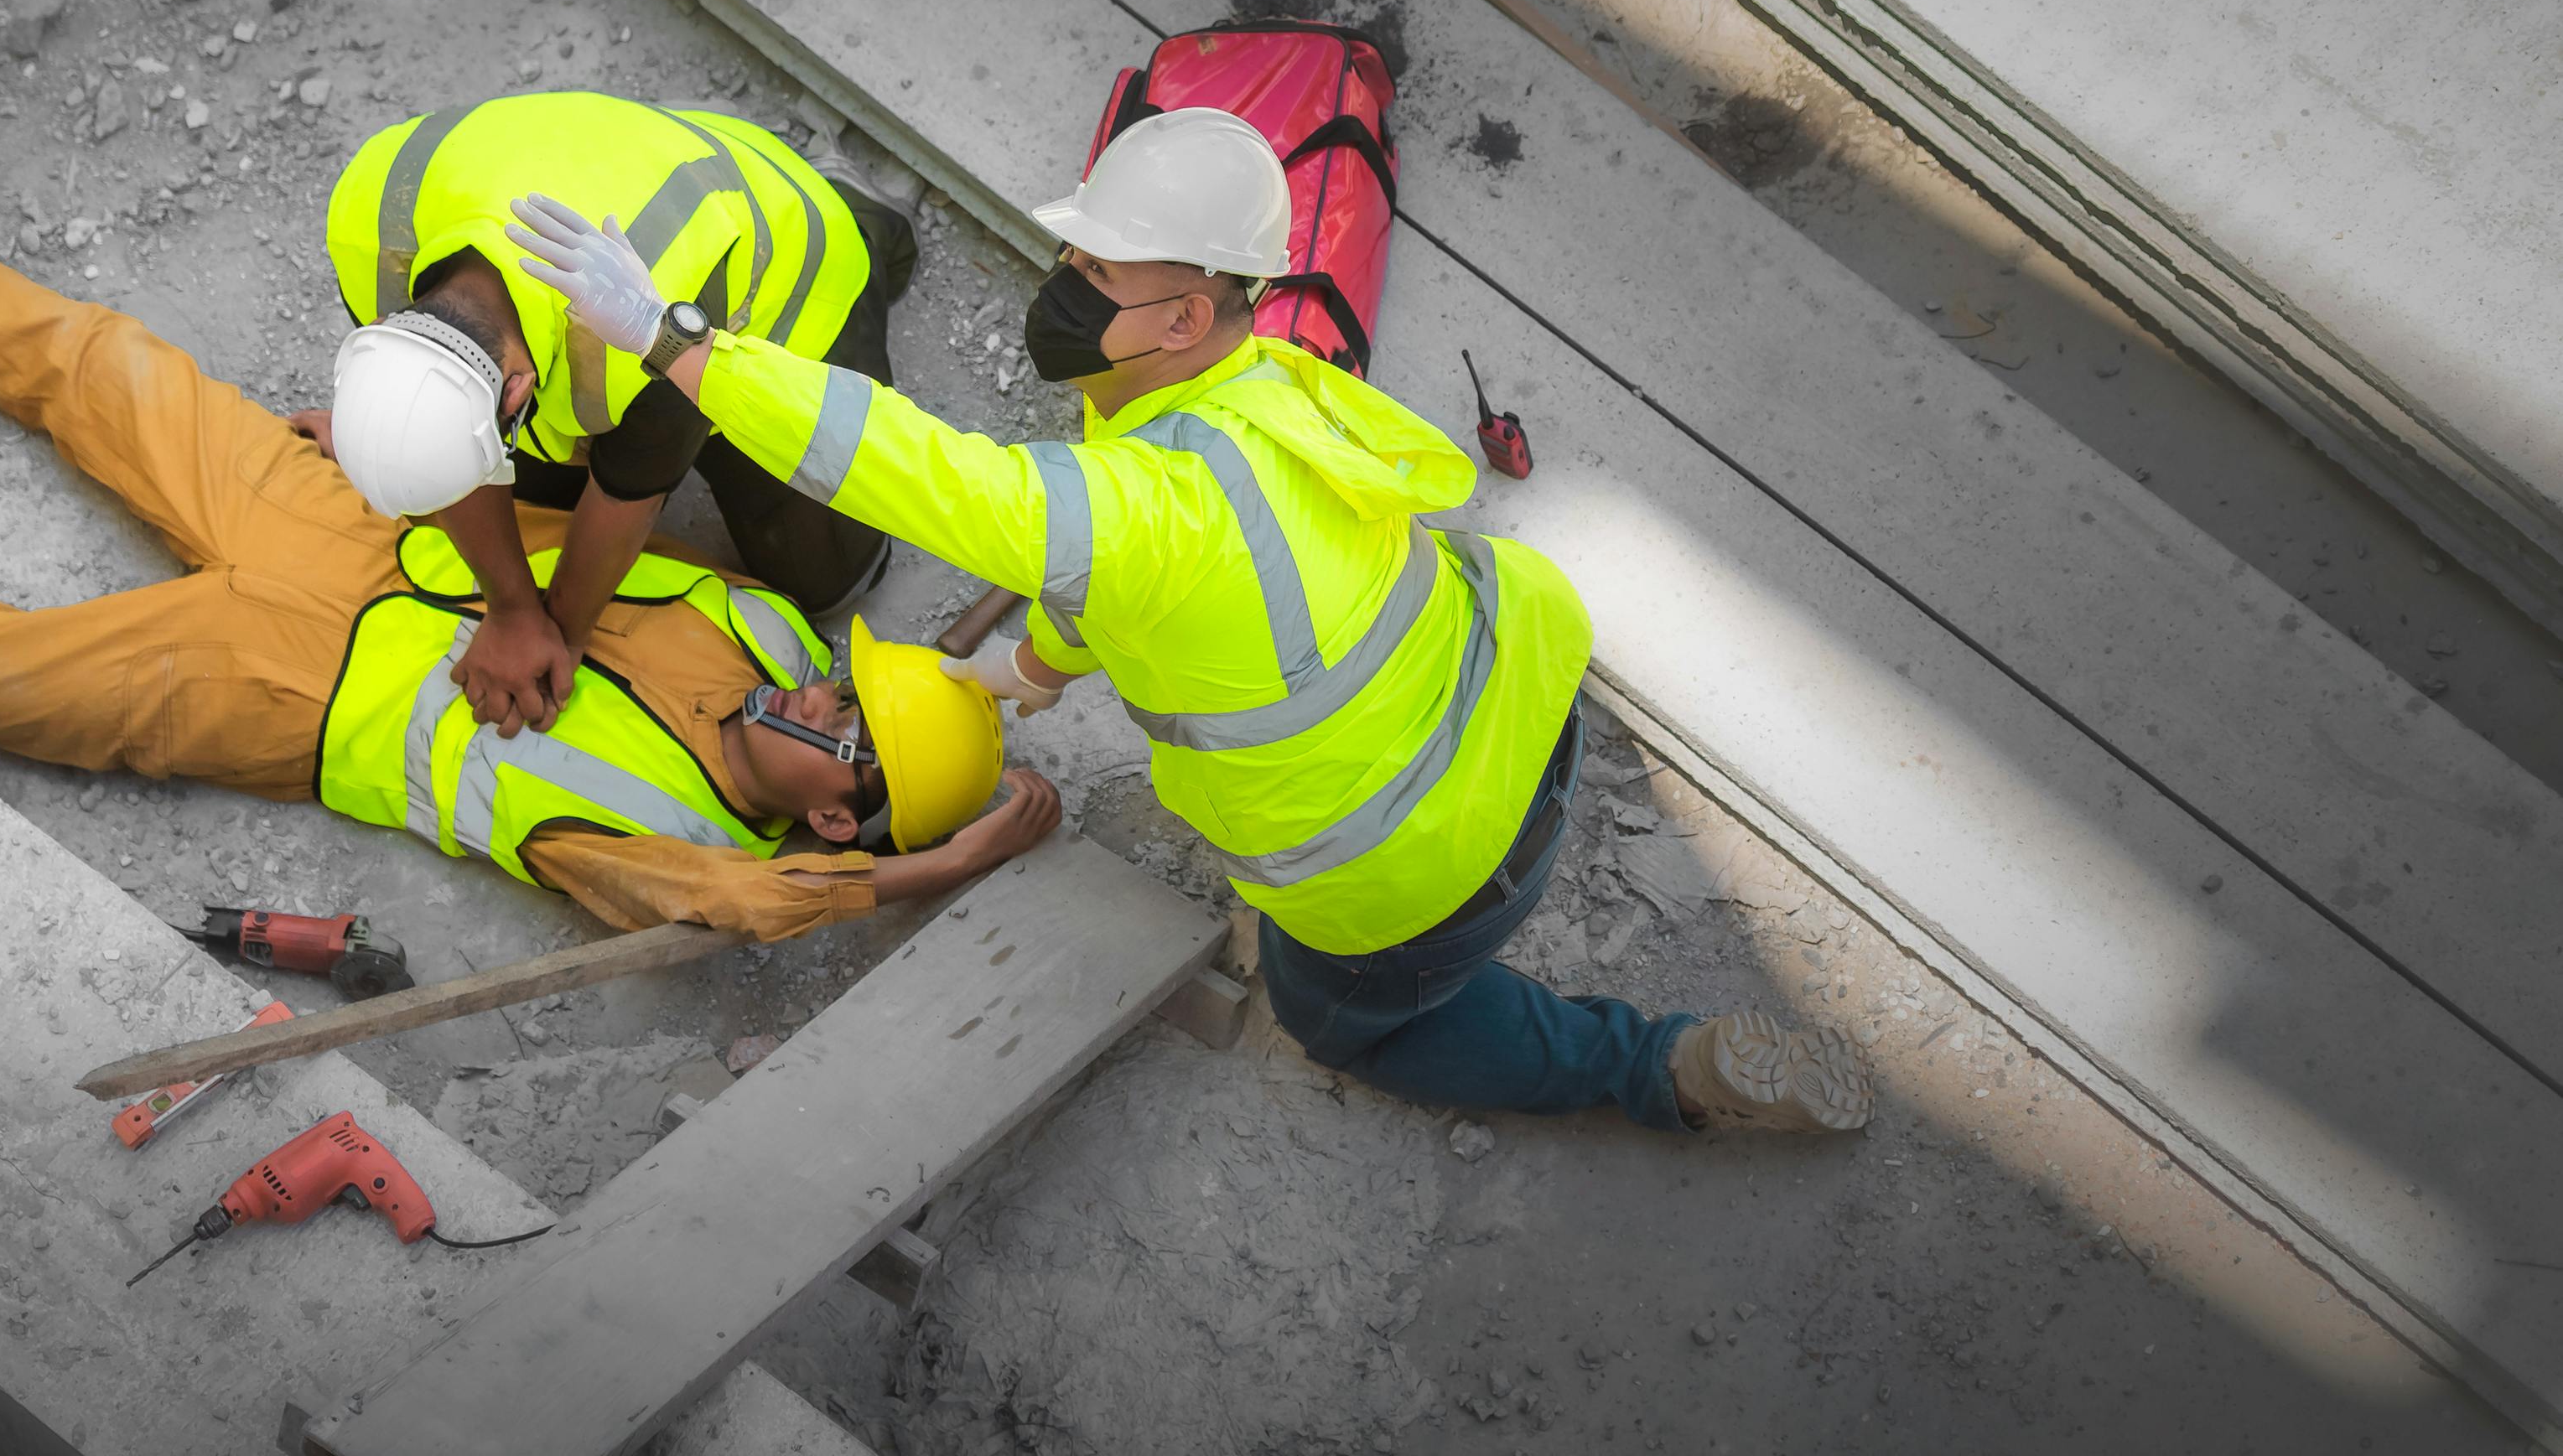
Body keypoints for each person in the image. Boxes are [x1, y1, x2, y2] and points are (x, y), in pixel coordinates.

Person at [510, 107, 1874, 1130]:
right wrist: (1035, 669)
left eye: (1093, 272)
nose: (1060, 277)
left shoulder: (1143, 500)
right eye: (1073, 249)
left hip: (1426, 871)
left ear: (1184, 310)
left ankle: (1655, 1071)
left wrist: (680, 343)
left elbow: (925, 473)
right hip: (1526, 700)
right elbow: (1155, 578)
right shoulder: (1264, 388)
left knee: (1343, 1017)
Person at [0, 80, 1060, 942]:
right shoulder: (759, 623)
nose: (823, 678)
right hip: (357, 530)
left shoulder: (670, 839)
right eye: (854, 686)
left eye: (844, 718)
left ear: (831, 811)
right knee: (102, 369)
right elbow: (565, 511)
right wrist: (393, 476)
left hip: (294, 693)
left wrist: (947, 863)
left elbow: (768, 903)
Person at [313, 91, 917, 742]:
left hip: (777, 280)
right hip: (632, 172)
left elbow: (630, 491)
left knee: (825, 578)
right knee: (537, 496)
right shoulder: (371, 218)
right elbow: (445, 416)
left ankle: (862, 212)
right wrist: (514, 610)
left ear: (516, 394)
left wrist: (558, 633)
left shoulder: (647, 317)